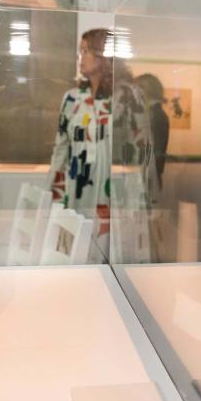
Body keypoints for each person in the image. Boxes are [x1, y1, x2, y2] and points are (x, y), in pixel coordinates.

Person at [48, 29, 152, 261]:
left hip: (113, 187)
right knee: (75, 253)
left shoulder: (128, 95)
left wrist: (137, 191)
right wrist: (54, 193)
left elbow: (141, 147)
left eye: (86, 51)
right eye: (80, 52)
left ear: (103, 55)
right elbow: (61, 148)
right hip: (78, 187)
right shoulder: (72, 98)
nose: (81, 57)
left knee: (111, 255)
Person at [134, 73, 169, 189]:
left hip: (147, 179)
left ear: (148, 89)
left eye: (139, 88)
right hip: (145, 177)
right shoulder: (151, 114)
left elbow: (154, 151)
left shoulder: (156, 115)